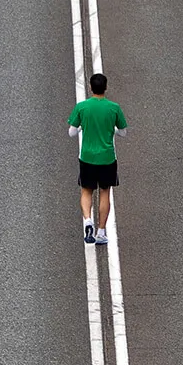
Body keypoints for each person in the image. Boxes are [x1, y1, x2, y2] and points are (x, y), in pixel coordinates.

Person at [67, 72, 128, 245]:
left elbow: (71, 132)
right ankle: (101, 232)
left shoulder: (82, 107)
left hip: (87, 157)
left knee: (86, 190)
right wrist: (112, 130)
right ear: (106, 87)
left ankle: (88, 220)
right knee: (105, 192)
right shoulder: (114, 108)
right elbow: (123, 132)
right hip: (107, 158)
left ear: (90, 87)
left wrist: (81, 128)